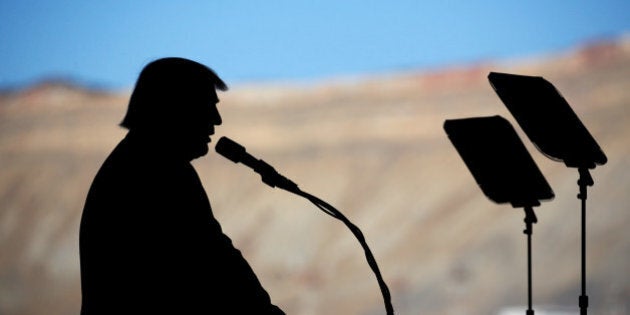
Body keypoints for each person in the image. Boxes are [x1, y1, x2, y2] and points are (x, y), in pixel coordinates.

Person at [79, 57, 284, 314]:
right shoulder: (155, 171)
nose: (217, 120)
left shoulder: (144, 163)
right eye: (208, 106)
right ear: (176, 107)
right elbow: (212, 264)